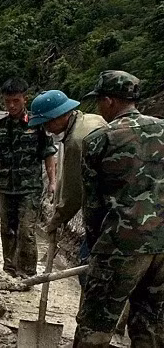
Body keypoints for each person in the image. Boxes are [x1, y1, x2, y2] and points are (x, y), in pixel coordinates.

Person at [73, 71, 164, 347]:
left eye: (100, 101)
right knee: (151, 326)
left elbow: (93, 207)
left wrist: (93, 248)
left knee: (95, 327)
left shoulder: (100, 140)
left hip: (120, 245)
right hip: (162, 246)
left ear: (110, 101)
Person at [0, 78, 57, 278]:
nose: (11, 105)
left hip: (30, 189)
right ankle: (9, 271)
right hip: (6, 188)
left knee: (26, 232)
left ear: (24, 99)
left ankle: (27, 274)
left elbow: (48, 155)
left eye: (16, 101)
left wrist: (53, 182)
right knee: (7, 231)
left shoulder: (38, 125)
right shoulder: (0, 126)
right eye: (7, 101)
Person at [28, 90, 106, 279]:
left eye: (47, 122)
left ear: (61, 115)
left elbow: (74, 191)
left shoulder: (77, 141)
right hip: (116, 202)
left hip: (107, 211)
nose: (47, 129)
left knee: (89, 271)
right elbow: (70, 172)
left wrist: (57, 220)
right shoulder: (92, 119)